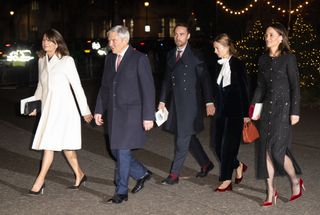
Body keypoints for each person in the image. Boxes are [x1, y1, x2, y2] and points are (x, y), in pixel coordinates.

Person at [94, 25, 155, 204]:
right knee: (114, 150)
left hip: (132, 114)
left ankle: (121, 191)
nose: (110, 43)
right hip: (114, 113)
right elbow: (104, 87)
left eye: (113, 40)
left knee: (121, 152)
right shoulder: (109, 59)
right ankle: (141, 173)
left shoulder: (139, 58)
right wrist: (99, 109)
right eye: (109, 40)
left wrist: (148, 116)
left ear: (125, 40)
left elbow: (148, 89)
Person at [28, 29, 93, 195]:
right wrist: (34, 105)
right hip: (49, 110)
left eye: (49, 40)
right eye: (43, 40)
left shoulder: (67, 61)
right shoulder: (42, 60)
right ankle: (80, 174)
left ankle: (39, 181)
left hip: (65, 110)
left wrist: (84, 111)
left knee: (56, 146)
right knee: (62, 146)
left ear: (57, 42)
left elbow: (77, 86)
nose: (45, 43)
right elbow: (40, 86)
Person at [251, 23, 303, 207]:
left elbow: (295, 86)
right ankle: (270, 191)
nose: (267, 37)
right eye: (266, 34)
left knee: (277, 150)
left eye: (271, 34)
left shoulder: (289, 59)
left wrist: (295, 111)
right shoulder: (263, 59)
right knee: (265, 150)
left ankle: (295, 181)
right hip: (267, 109)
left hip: (284, 109)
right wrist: (253, 110)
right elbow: (260, 87)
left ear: (281, 37)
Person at [158, 23, 215, 185]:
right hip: (176, 103)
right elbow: (167, 80)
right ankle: (206, 163)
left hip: (191, 104)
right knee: (187, 135)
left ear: (188, 36)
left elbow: (205, 80)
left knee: (182, 138)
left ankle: (174, 175)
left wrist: (209, 101)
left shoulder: (196, 55)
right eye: (176, 34)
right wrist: (162, 100)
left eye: (182, 34)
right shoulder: (170, 55)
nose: (178, 37)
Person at [211, 34, 250, 192]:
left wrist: (246, 114)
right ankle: (238, 165)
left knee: (227, 147)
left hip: (236, 113)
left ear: (226, 47)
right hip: (220, 112)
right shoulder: (218, 65)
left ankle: (226, 179)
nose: (215, 51)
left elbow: (245, 89)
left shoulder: (238, 64)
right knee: (217, 146)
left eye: (217, 48)